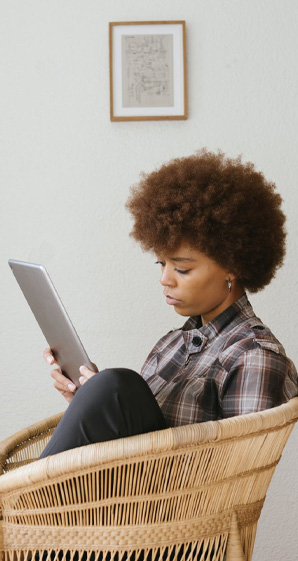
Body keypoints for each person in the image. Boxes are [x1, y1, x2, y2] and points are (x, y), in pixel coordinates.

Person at [40, 149, 298, 459]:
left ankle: (16, 502)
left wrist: (110, 392)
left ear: (234, 266)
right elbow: (139, 439)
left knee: (118, 384)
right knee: (110, 387)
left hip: (183, 503)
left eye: (182, 268)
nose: (165, 279)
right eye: (161, 264)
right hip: (123, 492)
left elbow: (241, 472)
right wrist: (92, 403)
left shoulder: (254, 357)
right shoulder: (172, 345)